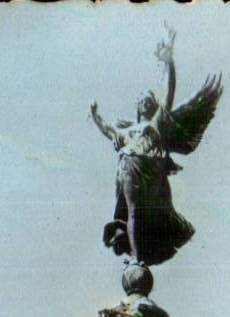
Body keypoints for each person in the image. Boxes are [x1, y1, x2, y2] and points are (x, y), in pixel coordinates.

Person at [90, 29, 222, 269]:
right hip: (128, 168)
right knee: (132, 212)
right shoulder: (127, 131)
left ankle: (138, 256)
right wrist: (94, 115)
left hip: (149, 172)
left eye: (149, 98)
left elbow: (170, 91)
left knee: (140, 214)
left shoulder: (158, 123)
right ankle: (136, 256)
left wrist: (169, 61)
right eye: (143, 99)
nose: (146, 100)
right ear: (138, 107)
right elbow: (107, 130)